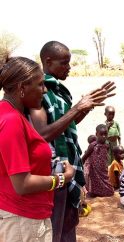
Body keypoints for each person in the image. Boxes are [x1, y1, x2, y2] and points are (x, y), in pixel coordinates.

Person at [29, 41, 116, 242]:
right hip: (54, 169)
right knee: (56, 228)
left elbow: (68, 124)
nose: (69, 68)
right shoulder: (40, 91)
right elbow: (42, 134)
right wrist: (77, 107)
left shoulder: (59, 91)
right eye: (64, 63)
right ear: (48, 62)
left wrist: (86, 106)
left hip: (68, 165)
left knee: (69, 221)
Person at [0, 57, 74, 241]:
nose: (45, 90)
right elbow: (22, 184)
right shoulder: (11, 121)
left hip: (23, 217)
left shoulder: (11, 114)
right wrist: (62, 179)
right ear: (22, 88)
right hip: (22, 221)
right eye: (40, 84)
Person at [81, 124, 114, 197]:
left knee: (110, 191)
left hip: (103, 170)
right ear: (96, 134)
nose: (104, 136)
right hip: (94, 170)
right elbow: (84, 157)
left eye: (105, 134)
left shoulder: (107, 145)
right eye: (101, 134)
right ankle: (94, 192)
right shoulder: (92, 146)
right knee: (94, 183)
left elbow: (106, 157)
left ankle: (101, 192)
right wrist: (81, 167)